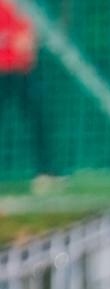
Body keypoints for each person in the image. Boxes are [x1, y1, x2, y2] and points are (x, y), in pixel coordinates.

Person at [0, 0, 57, 194]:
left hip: (20, 72)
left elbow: (26, 42)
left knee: (37, 119)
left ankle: (46, 172)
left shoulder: (21, 9)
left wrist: (24, 43)